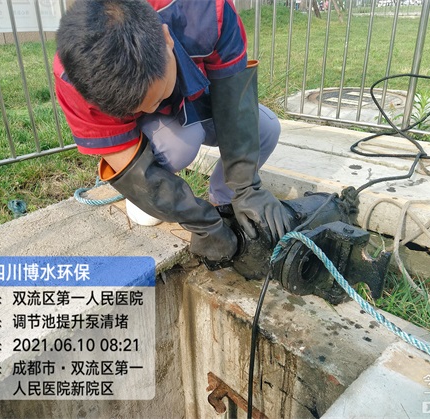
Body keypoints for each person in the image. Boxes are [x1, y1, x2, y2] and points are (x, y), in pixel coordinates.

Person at [54, 0, 290, 265]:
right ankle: (141, 199)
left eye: (155, 98)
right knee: (180, 145)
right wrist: (201, 223)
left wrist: (246, 188)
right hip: (153, 132)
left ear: (166, 38)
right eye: (137, 108)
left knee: (265, 127)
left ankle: (224, 201)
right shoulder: (74, 77)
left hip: (195, 89)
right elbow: (128, 164)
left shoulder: (208, 13)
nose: (150, 108)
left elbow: (235, 100)